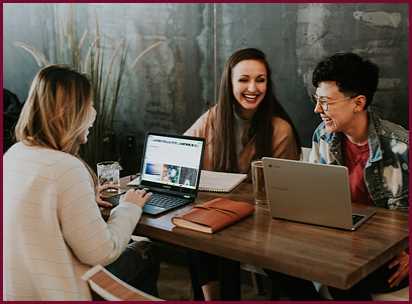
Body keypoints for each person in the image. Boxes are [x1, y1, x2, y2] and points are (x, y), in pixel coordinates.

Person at [3, 65, 159, 300]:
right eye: (89, 105)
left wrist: (84, 197)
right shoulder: (66, 167)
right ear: (70, 111)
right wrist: (129, 206)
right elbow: (101, 253)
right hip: (60, 292)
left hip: (19, 291)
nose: (94, 113)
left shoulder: (14, 154)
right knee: (145, 250)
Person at [268, 52, 409, 300]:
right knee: (273, 258)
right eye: (317, 99)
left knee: (341, 271)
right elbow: (312, 197)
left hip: (389, 254)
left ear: (358, 103)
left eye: (326, 101)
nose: (317, 108)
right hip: (339, 242)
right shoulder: (323, 135)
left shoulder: (401, 146)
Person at [184, 48, 301, 300]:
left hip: (261, 223)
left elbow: (283, 194)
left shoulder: (279, 129)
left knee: (220, 241)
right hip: (217, 214)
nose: (253, 88)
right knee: (195, 233)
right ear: (229, 83)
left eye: (260, 80)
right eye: (243, 79)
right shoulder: (215, 116)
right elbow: (183, 151)